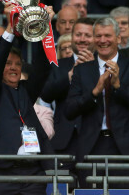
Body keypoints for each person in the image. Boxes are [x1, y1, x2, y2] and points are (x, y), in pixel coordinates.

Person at [0, 3, 55, 195]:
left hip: (33, 172)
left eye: (17, 64)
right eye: (8, 63)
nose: (13, 67)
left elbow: (43, 67)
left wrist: (42, 28)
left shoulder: (27, 90)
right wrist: (10, 29)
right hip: (1, 171)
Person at [65, 17, 129, 188]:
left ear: (118, 39)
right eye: (98, 36)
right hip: (91, 146)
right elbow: (69, 110)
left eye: (107, 36)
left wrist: (118, 87)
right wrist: (94, 92)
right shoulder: (82, 70)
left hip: (124, 148)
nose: (102, 41)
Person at [40, 17, 94, 176]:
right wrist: (70, 76)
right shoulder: (59, 65)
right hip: (63, 138)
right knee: (61, 187)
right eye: (78, 35)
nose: (82, 39)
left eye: (87, 35)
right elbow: (47, 94)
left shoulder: (102, 64)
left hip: (93, 138)